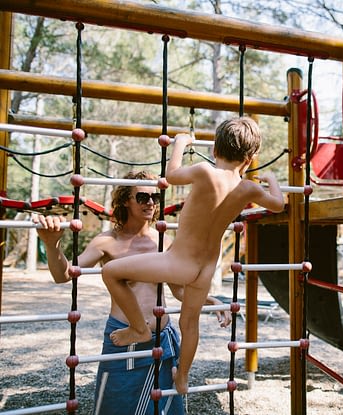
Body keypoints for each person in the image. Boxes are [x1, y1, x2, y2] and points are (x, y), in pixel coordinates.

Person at [101, 116, 285, 395]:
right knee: (190, 322)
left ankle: (139, 328)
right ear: (249, 160)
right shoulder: (248, 187)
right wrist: (271, 180)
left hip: (179, 263)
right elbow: (278, 205)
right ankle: (183, 377)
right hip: (205, 270)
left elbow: (171, 175)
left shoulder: (204, 171)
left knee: (111, 272)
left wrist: (180, 143)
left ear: (214, 151)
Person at [35, 170, 231, 415]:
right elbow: (63, 275)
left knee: (164, 407)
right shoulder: (106, 241)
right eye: (142, 197)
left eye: (155, 198)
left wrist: (213, 301)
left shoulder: (164, 241)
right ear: (125, 200)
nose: (150, 202)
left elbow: (180, 290)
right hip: (123, 336)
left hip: (163, 338)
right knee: (117, 405)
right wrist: (51, 244)